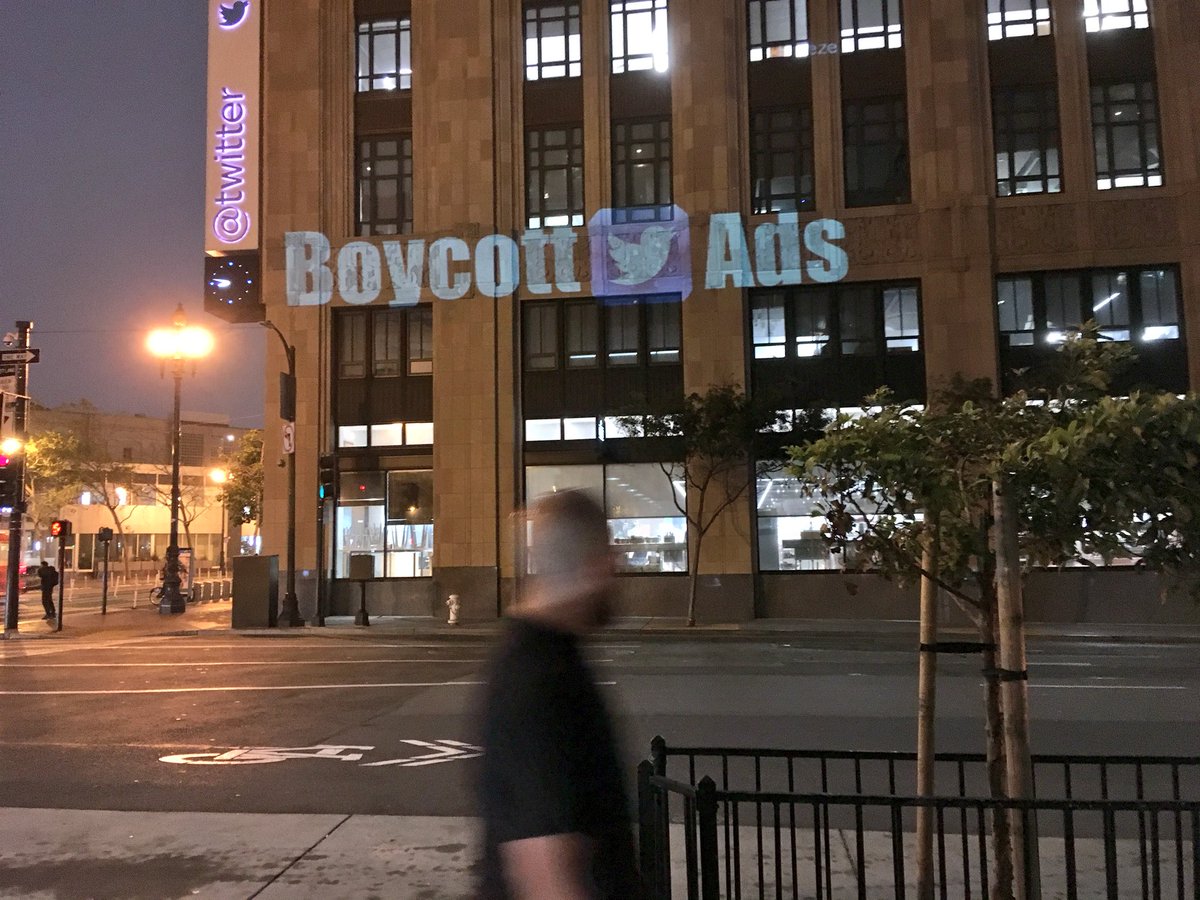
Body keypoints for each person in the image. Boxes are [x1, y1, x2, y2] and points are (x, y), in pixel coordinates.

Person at [475, 489, 643, 900]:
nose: (616, 570)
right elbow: (546, 871)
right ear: (596, 564)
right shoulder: (538, 679)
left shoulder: (552, 658)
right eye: (611, 554)